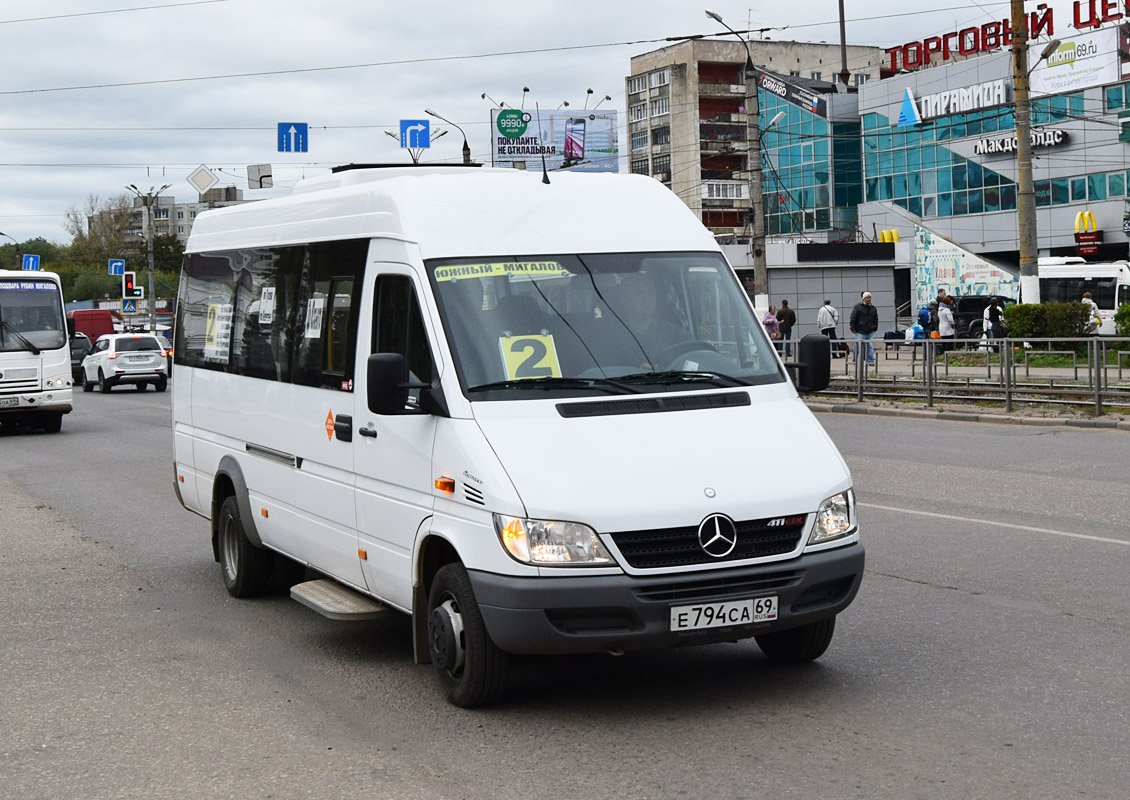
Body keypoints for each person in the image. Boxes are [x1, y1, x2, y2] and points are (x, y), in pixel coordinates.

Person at [849, 291, 879, 364]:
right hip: (860, 330)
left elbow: (876, 318)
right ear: (863, 298)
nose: (869, 299)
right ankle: (855, 358)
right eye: (867, 298)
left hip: (870, 330)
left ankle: (870, 360)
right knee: (858, 345)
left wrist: (875, 327)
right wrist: (852, 328)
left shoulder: (873, 308)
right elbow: (853, 317)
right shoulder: (857, 307)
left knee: (870, 346)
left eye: (870, 298)